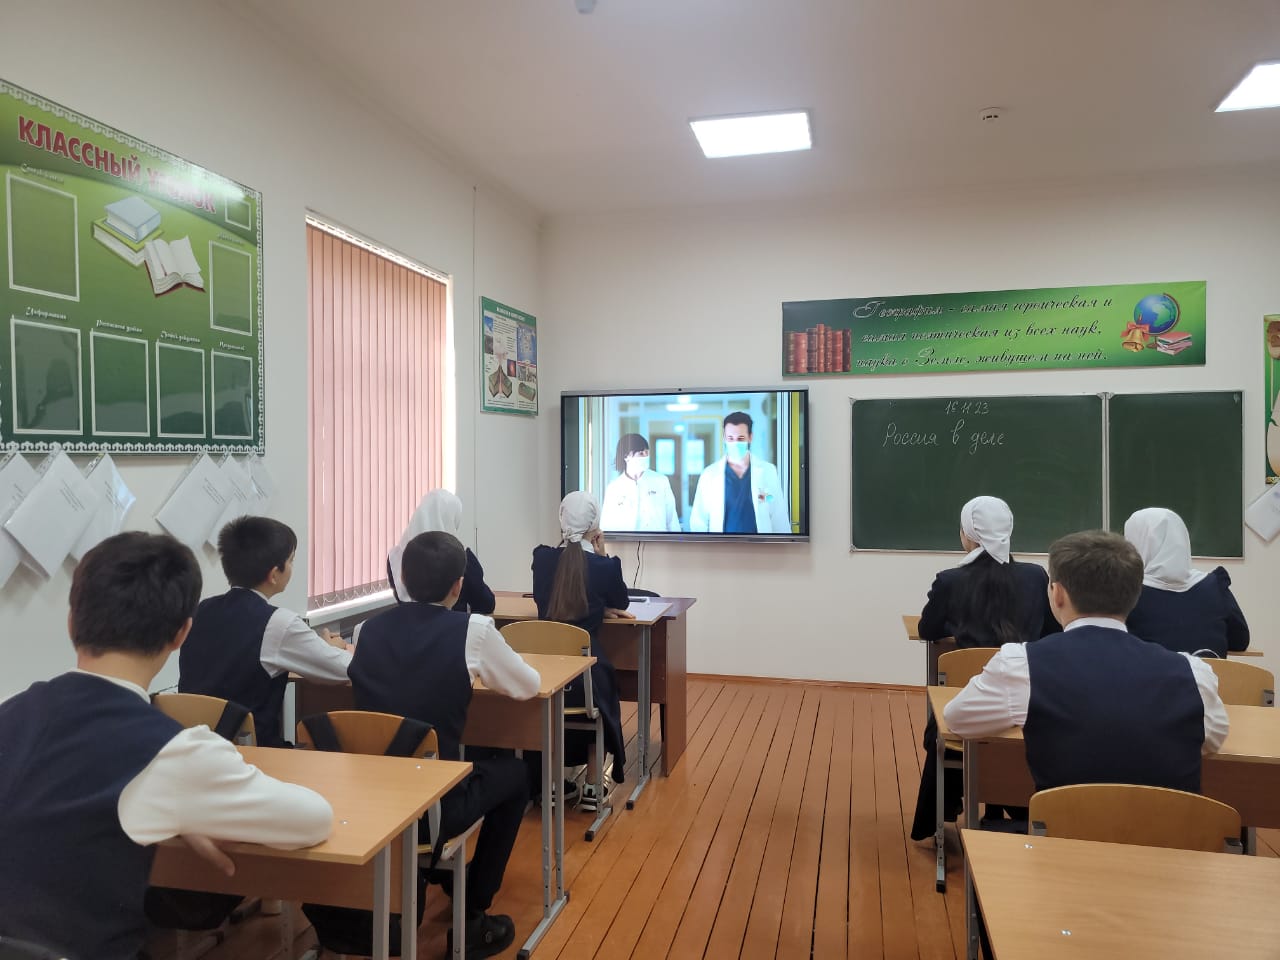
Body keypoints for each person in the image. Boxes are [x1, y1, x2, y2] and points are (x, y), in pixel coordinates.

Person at [0, 532, 333, 960]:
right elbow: (313, 819)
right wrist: (182, 807)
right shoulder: (172, 752)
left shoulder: (11, 712)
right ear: (181, 634)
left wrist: (172, 806)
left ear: (71, 623)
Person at [350, 531, 539, 958]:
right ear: (459, 586)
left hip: (371, 803)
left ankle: (442, 878)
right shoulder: (473, 631)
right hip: (434, 810)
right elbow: (527, 686)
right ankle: (473, 911)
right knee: (515, 773)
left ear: (403, 579)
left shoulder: (366, 630)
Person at [944, 530, 1228, 795]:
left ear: (1057, 594)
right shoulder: (1193, 672)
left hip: (1064, 830)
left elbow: (958, 719)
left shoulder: (1021, 666)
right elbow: (1212, 739)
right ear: (1135, 595)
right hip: (1170, 831)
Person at [910, 496, 1059, 839]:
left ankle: (947, 810)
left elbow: (927, 630)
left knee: (942, 723)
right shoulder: (1035, 577)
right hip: (1028, 709)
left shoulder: (950, 580)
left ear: (969, 535)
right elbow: (1052, 632)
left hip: (971, 707)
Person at [179, 516, 350, 747]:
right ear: (274, 574)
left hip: (195, 745)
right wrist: (334, 648)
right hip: (254, 754)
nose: (292, 568)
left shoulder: (202, 609)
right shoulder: (278, 623)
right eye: (291, 561)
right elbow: (344, 670)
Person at [532, 491, 633, 809]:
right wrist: (603, 556)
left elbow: (549, 599)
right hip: (586, 674)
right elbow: (622, 601)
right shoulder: (603, 566)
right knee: (598, 701)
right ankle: (592, 784)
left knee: (553, 711)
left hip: (546, 673)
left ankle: (551, 784)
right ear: (594, 527)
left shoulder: (542, 559)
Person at [1123, 507, 1249, 658]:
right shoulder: (1214, 586)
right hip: (1211, 673)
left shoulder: (1128, 592)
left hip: (1150, 673)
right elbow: (1240, 641)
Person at [387, 489, 496, 614]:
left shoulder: (396, 557)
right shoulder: (460, 558)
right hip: (453, 625)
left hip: (408, 625)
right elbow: (486, 604)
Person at [689, 412, 789, 533]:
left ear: (750, 437)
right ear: (724, 438)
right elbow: (698, 521)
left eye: (740, 438)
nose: (735, 443)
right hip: (720, 544)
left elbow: (778, 516)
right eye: (730, 438)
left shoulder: (768, 471)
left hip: (760, 544)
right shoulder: (709, 475)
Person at [600, 433, 681, 532]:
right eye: (641, 453)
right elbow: (606, 525)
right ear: (626, 456)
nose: (646, 457)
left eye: (647, 453)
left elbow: (672, 520)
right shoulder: (614, 488)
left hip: (657, 540)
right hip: (625, 541)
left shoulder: (661, 481)